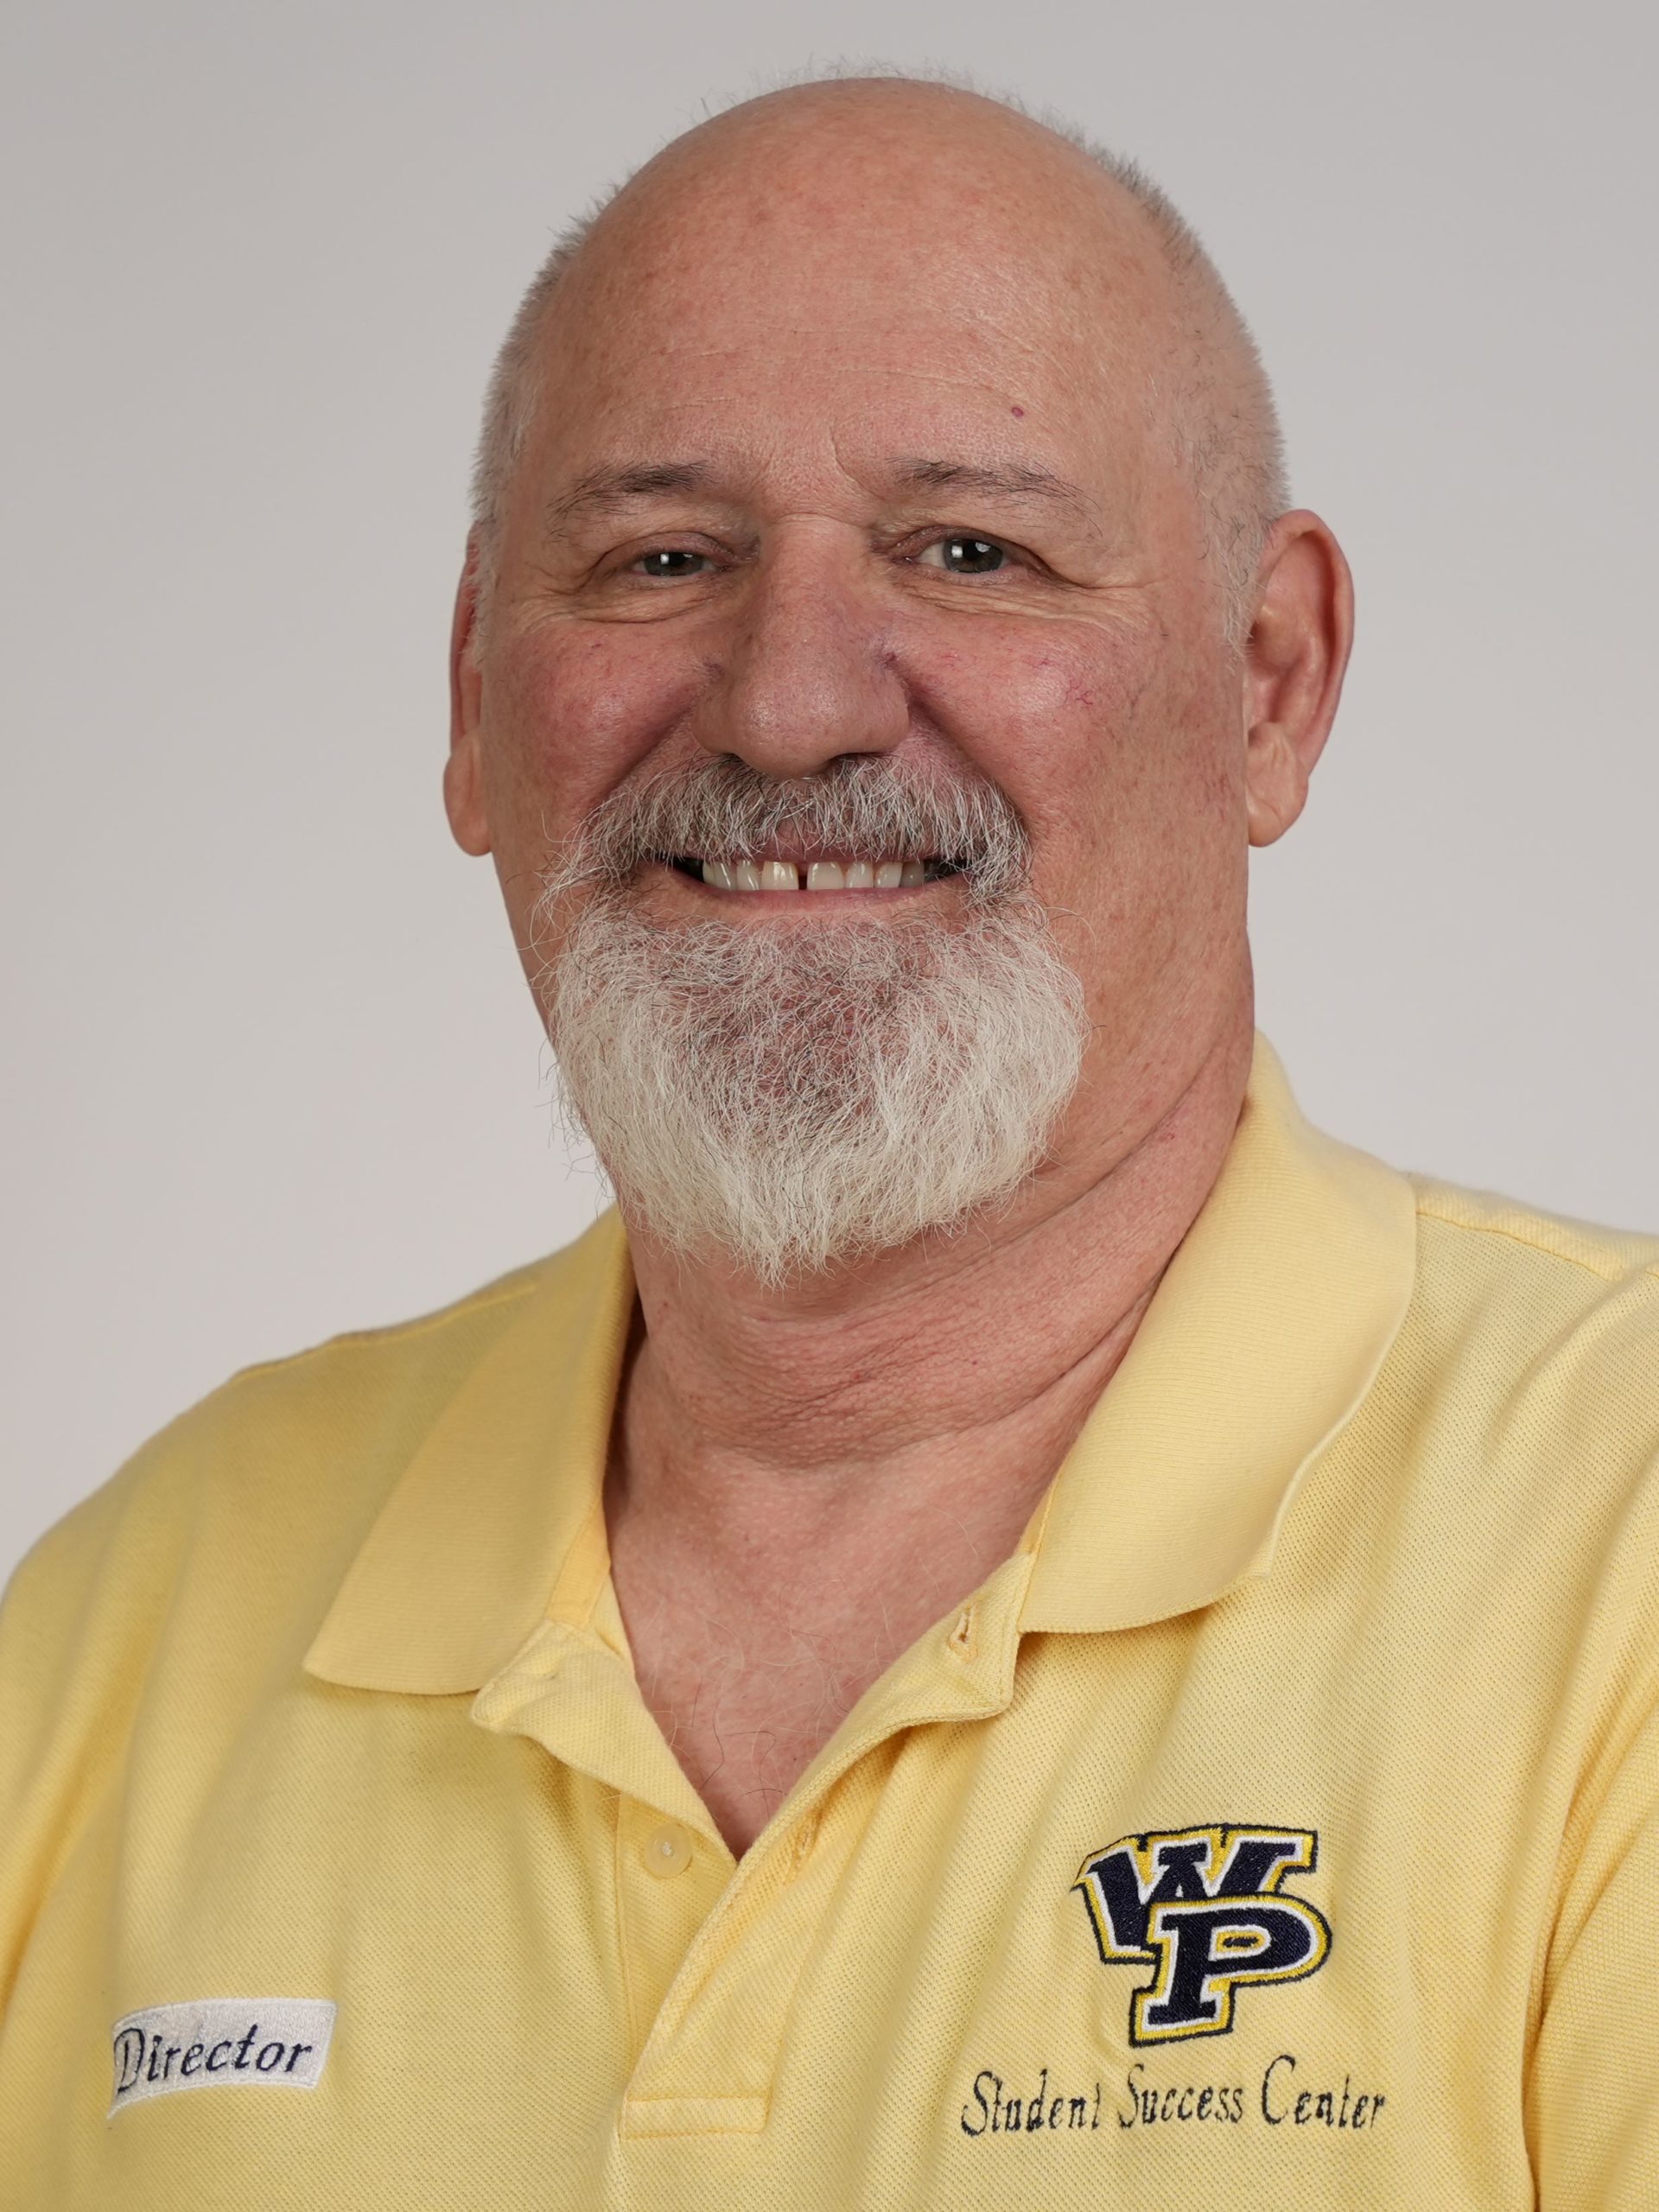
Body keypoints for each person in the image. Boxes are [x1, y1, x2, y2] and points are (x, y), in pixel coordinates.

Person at [1, 69, 1654, 2212]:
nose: (789, 703)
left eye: (972, 551)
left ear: (1269, 677)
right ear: (473, 695)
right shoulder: (139, 1615)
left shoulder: (1613, 1545)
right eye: (662, 558)